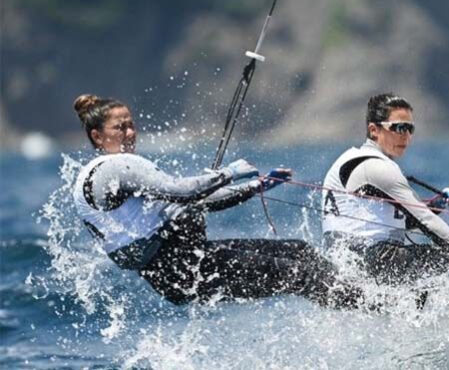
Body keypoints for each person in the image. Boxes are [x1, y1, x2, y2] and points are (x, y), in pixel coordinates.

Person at [71, 94, 361, 307]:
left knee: (300, 252)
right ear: (97, 136)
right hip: (183, 270)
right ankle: (370, 306)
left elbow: (198, 202)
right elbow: (183, 192)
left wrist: (256, 187)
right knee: (300, 274)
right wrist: (228, 173)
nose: (130, 133)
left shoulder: (123, 175)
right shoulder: (113, 168)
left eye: (131, 125)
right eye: (119, 128)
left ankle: (357, 295)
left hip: (189, 263)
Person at [322, 93, 449, 284]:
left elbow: (403, 220)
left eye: (410, 129)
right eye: (399, 128)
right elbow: (425, 221)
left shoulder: (355, 159)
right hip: (373, 261)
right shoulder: (376, 167)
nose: (406, 136)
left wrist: (436, 205)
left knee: (433, 259)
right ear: (374, 130)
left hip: (349, 268)